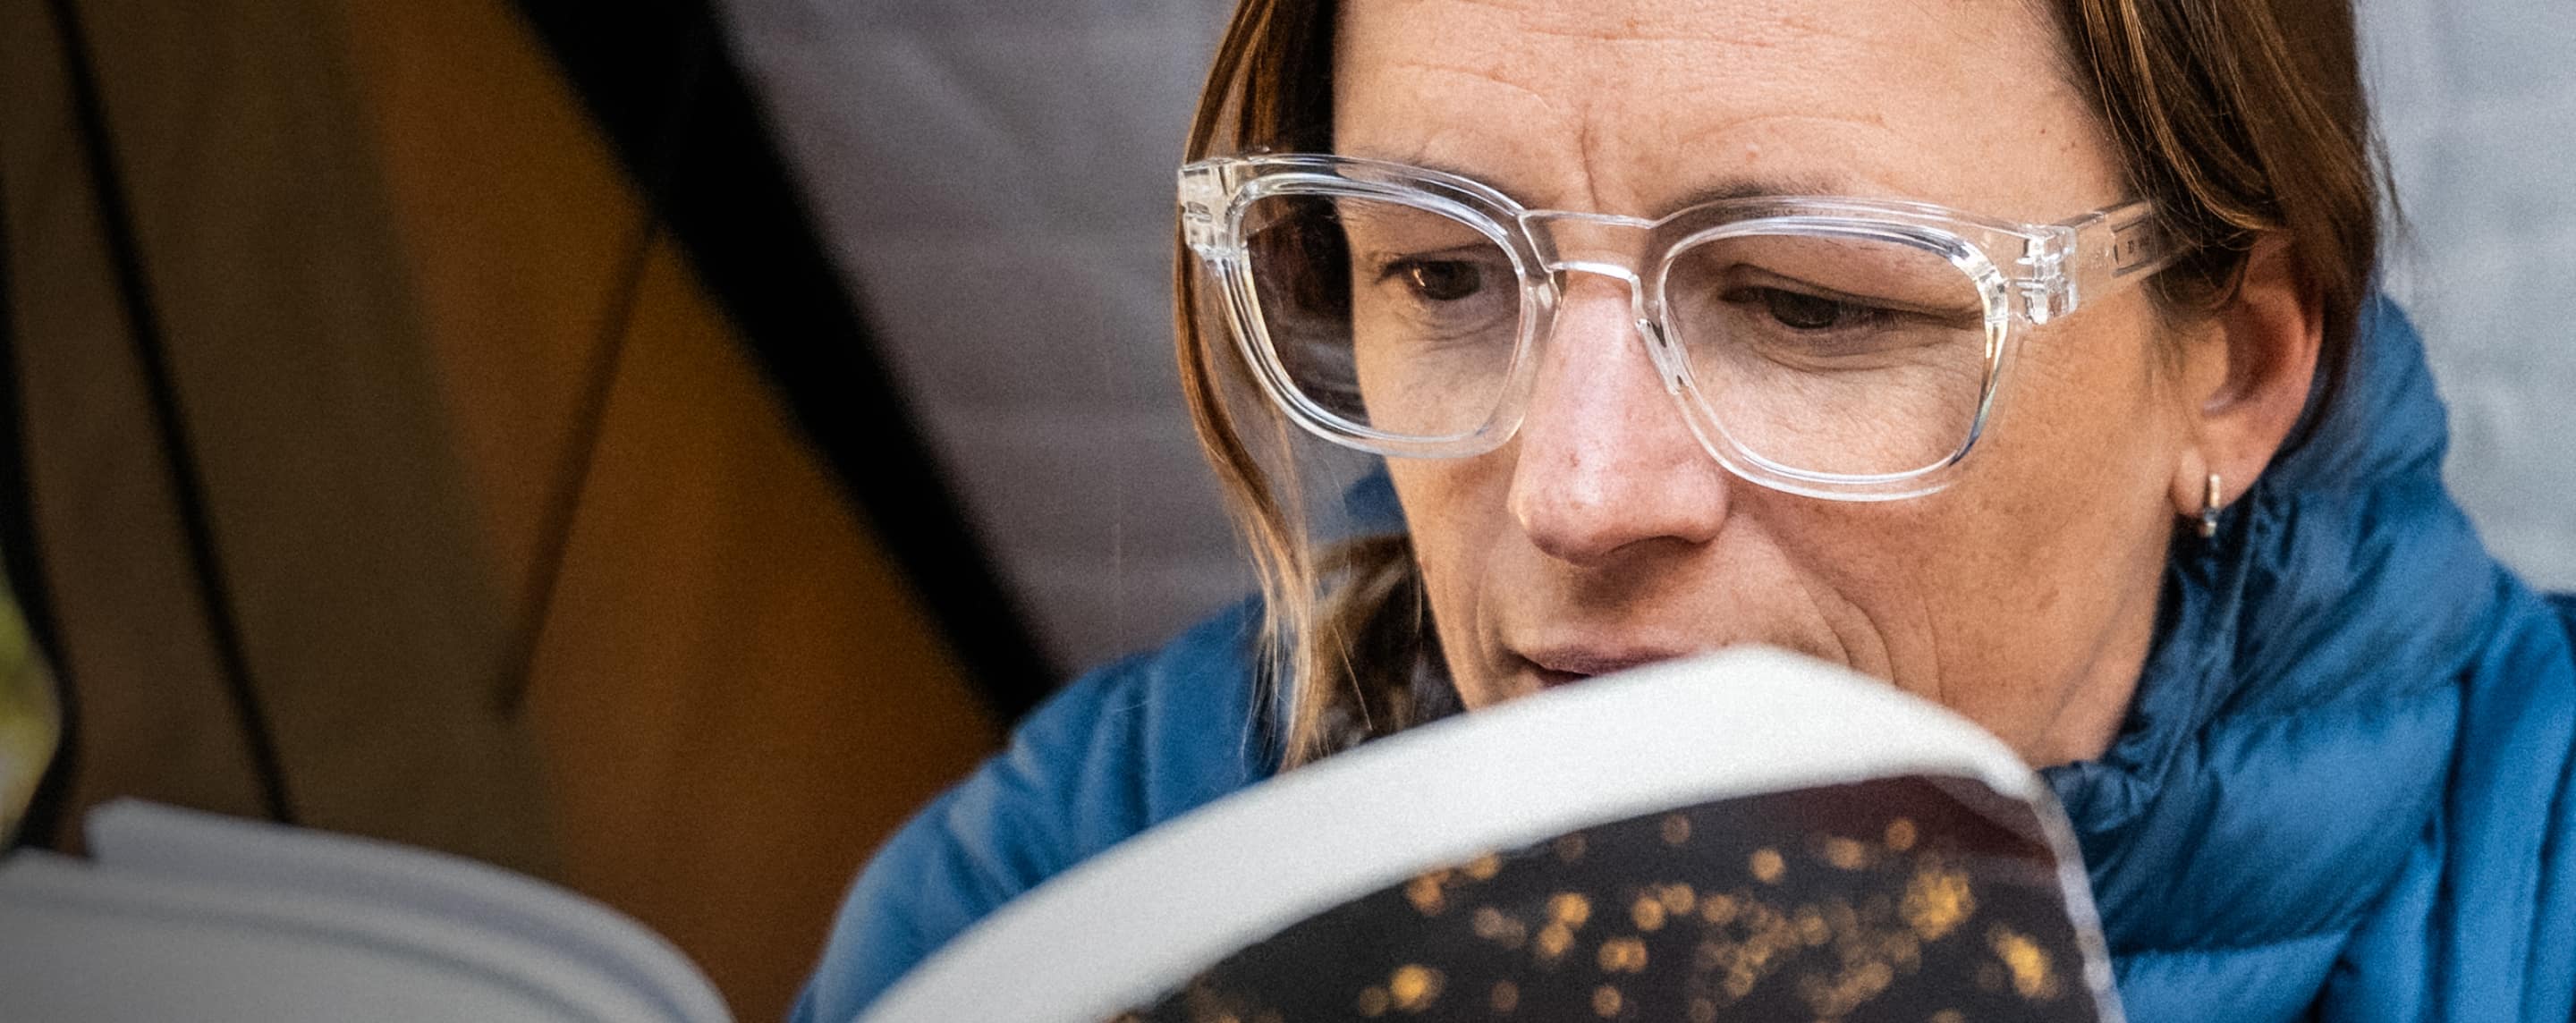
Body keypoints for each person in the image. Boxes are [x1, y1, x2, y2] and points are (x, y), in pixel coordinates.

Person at [796, 0, 2576, 1019]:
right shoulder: (1064, 874)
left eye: (1812, 305)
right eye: (1439, 274)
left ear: (2237, 371)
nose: (1575, 492)